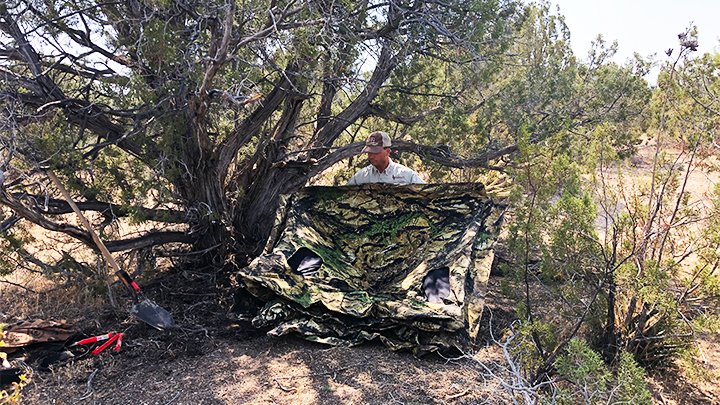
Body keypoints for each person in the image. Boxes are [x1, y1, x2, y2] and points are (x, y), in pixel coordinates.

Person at [346, 131, 425, 185]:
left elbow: (427, 195)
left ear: (387, 152)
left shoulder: (406, 175)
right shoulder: (361, 177)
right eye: (369, 152)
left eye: (376, 152)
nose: (371, 156)